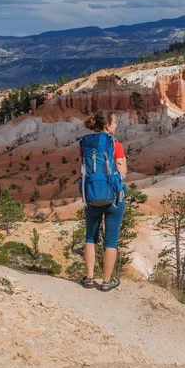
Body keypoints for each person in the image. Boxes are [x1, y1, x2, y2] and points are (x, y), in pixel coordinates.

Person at [79, 110, 127, 292]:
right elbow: (123, 172)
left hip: (91, 196)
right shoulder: (116, 145)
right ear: (107, 126)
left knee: (90, 237)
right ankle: (106, 281)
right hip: (114, 199)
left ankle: (90, 278)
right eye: (114, 123)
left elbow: (81, 170)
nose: (116, 125)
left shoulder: (85, 145)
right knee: (111, 240)